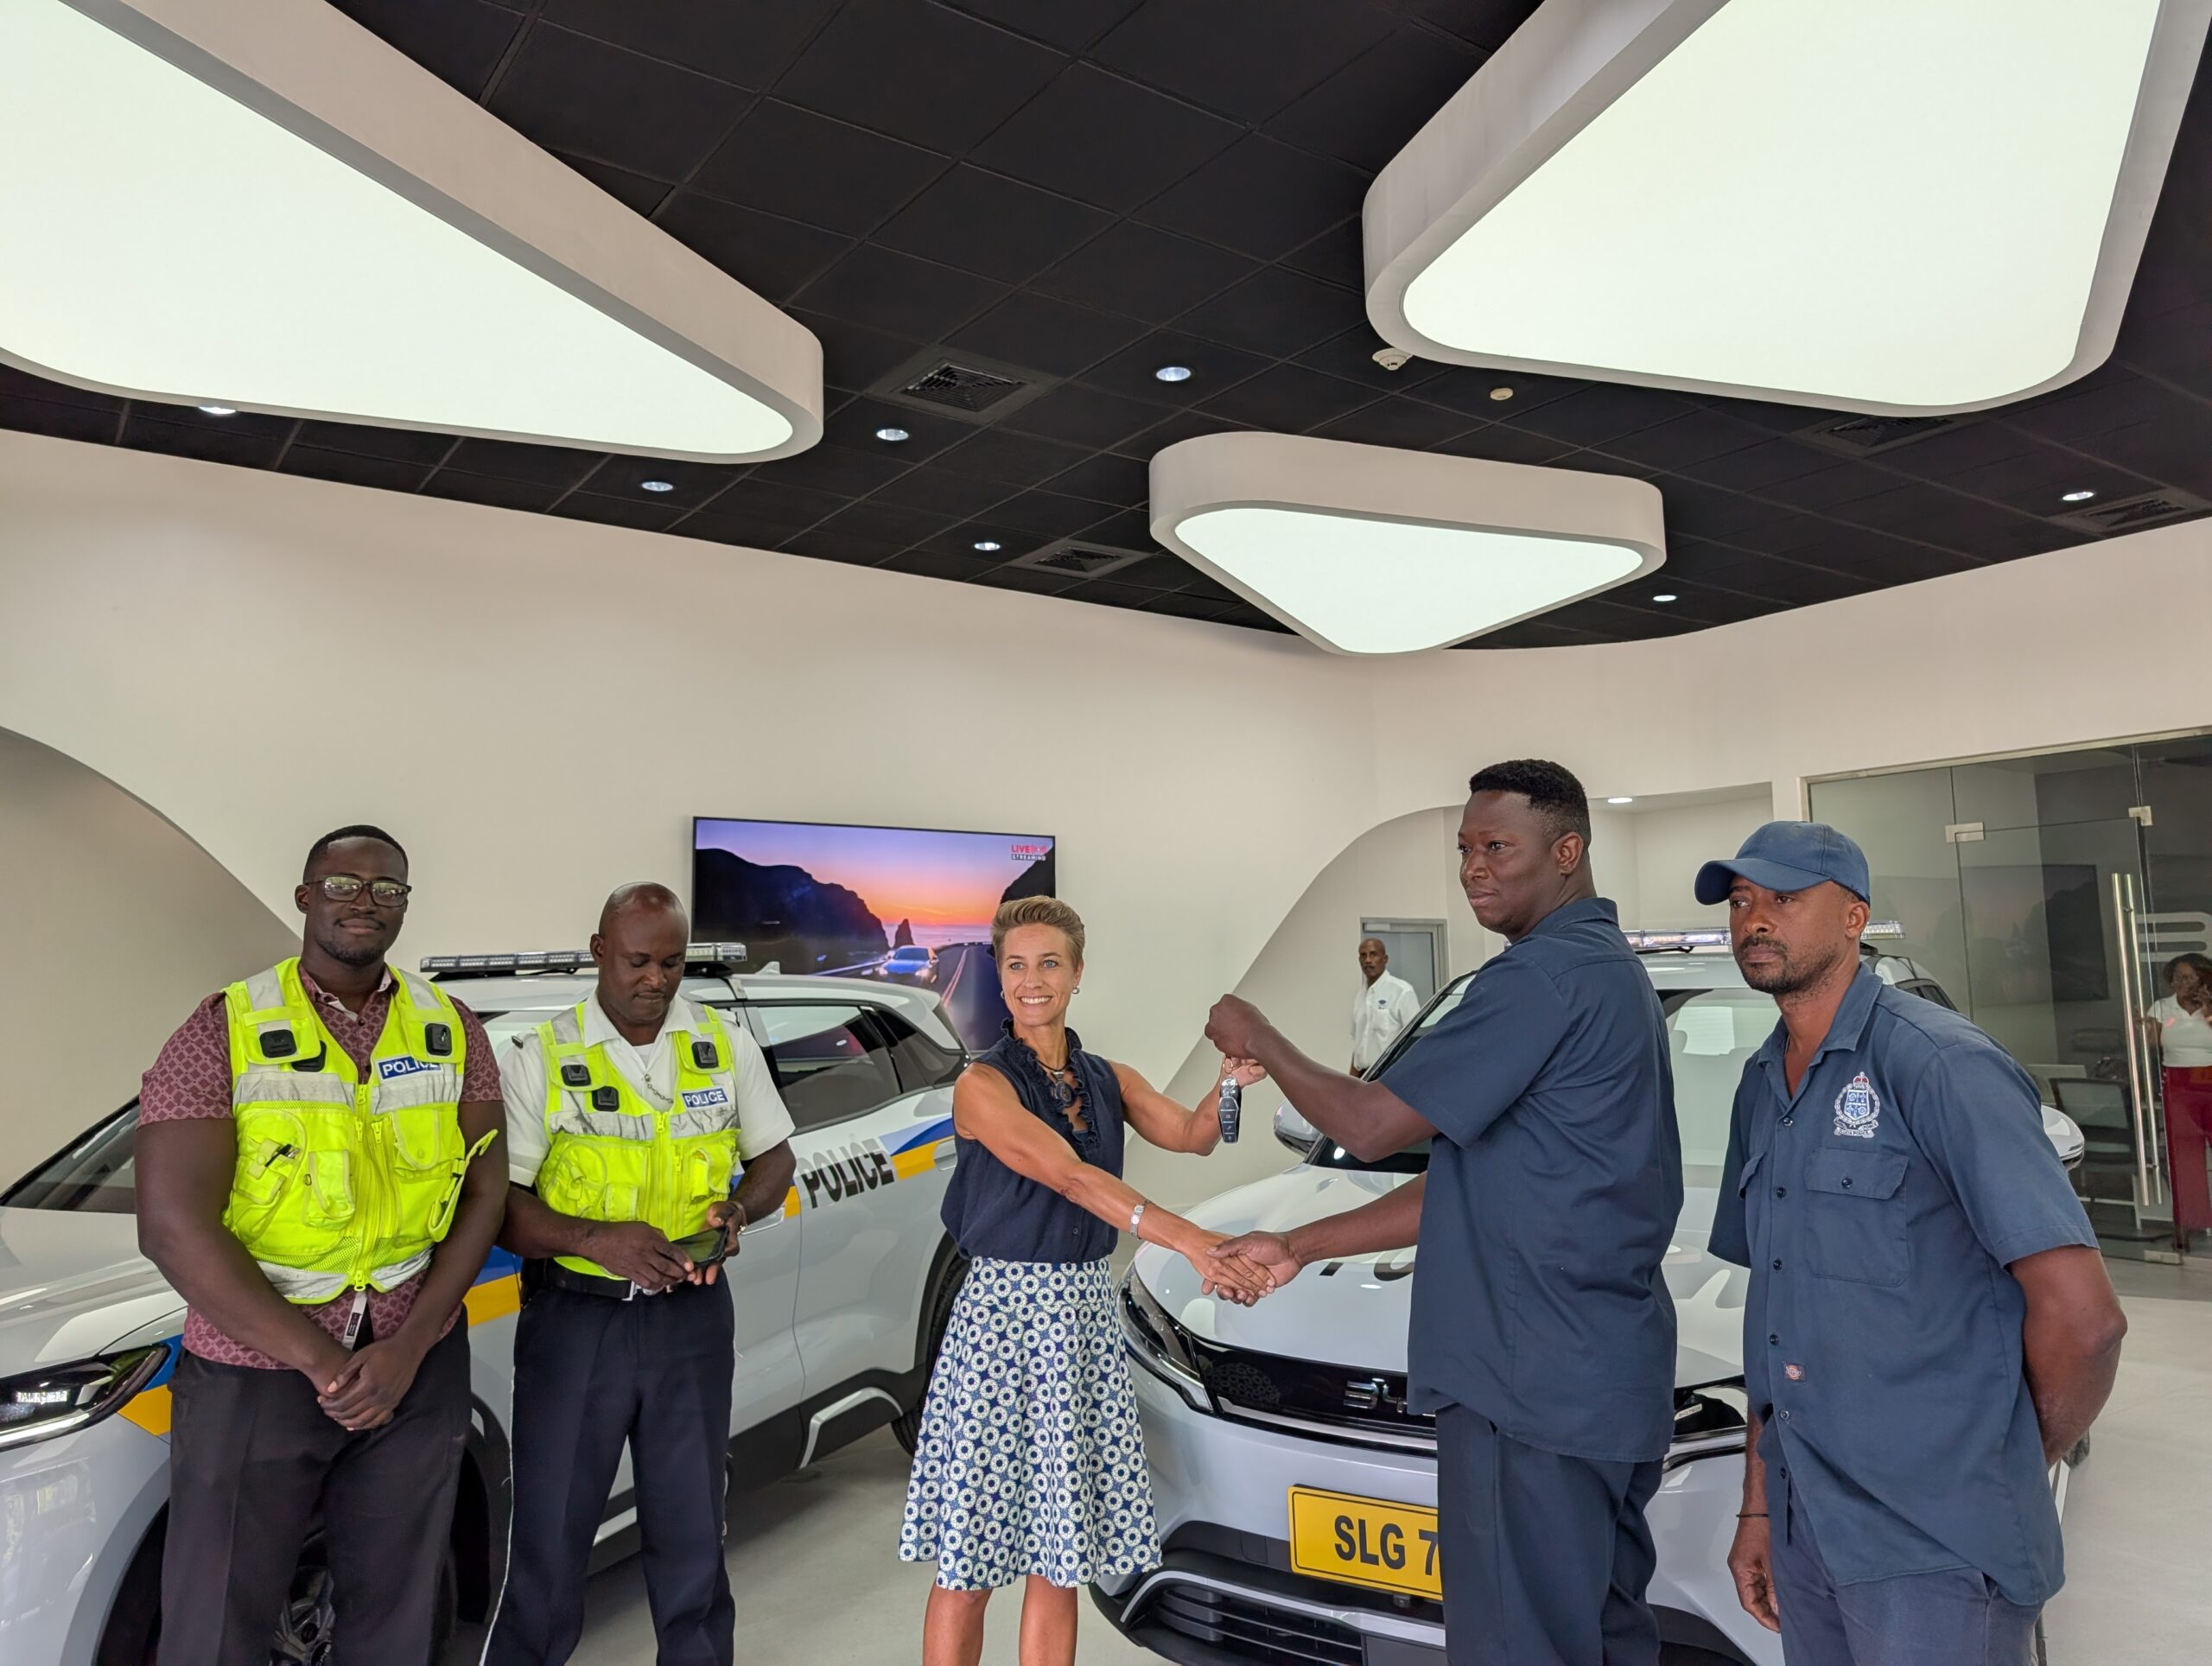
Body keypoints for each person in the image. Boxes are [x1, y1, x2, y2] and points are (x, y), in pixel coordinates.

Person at [1204, 760, 1681, 1666]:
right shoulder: (1609, 974)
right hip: (1598, 1385)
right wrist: (1300, 1242)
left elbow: (1370, 1125)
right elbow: (1471, 1183)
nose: (1473, 868)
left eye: (1497, 846)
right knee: (1601, 1636)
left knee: (1515, 1645)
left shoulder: (1539, 980)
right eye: (1464, 849)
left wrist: (1259, 1033)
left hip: (1524, 1387)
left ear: (1567, 852)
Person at [1699, 822, 2128, 1666]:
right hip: (1808, 1528)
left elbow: (2086, 1320)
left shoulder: (1939, 1064)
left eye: (1784, 897)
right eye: (1741, 900)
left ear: (1854, 916)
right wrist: (1759, 1505)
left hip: (1933, 1544)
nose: (1755, 918)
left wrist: (2001, 1462)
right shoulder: (1761, 1084)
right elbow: (1774, 1323)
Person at [137, 825, 508, 1665]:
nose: (364, 901)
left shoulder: (450, 1027)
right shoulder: (224, 1025)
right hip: (256, 1367)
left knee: (398, 1609)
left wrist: (407, 1349)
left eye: (387, 888)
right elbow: (170, 1223)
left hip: (412, 1364)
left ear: (405, 905)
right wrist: (325, 1363)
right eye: (342, 883)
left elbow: (484, 1191)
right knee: (216, 1618)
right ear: (305, 896)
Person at [899, 897, 1270, 1666]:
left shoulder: (1109, 1078)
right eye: (1016, 965)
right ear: (1000, 976)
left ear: (1077, 974)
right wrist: (1192, 1241)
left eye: (1049, 963)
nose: (1032, 980)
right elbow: (1068, 1176)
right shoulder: (982, 1086)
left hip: (1082, 1317)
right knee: (969, 1562)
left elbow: (1193, 1135)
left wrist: (1230, 1084)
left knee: (1060, 1556)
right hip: (1003, 1323)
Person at [483, 883, 798, 1666]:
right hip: (576, 1325)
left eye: (671, 962)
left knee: (693, 1532)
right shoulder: (542, 1056)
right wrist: (596, 1241)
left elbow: (774, 1160)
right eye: (637, 961)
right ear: (599, 953)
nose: (656, 979)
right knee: (550, 1539)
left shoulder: (722, 1043)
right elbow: (502, 1209)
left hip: (690, 1320)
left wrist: (740, 1211)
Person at [2144, 951, 2212, 1243]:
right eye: (2179, 978)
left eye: (2192, 978)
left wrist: (2207, 1008)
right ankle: (2186, 1224)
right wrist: (2146, 1026)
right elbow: (2149, 1043)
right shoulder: (2162, 1008)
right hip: (2178, 1084)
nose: (2185, 984)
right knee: (2184, 1157)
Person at [1351, 936, 1421, 1073]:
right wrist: (1351, 1080)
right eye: (1363, 956)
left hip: (1390, 1075)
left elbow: (1414, 1040)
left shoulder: (1402, 991)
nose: (1368, 960)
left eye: (1373, 954)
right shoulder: (1360, 996)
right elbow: (1358, 1045)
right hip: (1363, 1076)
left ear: (1385, 959)